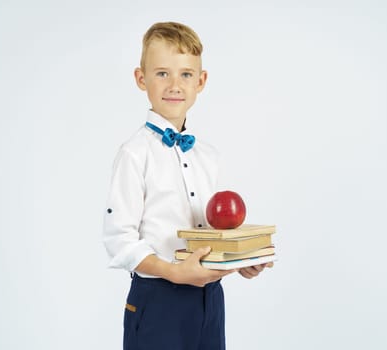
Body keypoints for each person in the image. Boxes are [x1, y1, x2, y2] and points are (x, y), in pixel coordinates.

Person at [103, 21, 271, 350]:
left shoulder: (208, 155)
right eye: (162, 73)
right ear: (141, 79)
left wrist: (236, 262)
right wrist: (174, 272)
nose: (174, 85)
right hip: (158, 301)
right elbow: (119, 239)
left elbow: (207, 232)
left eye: (186, 74)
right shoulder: (134, 153)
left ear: (201, 81)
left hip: (210, 300)